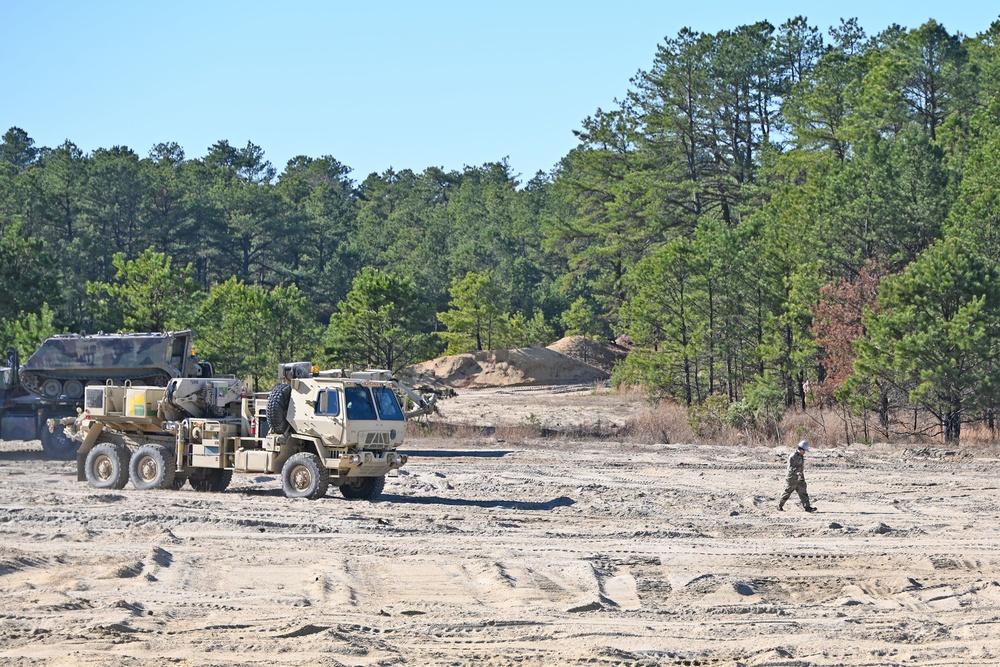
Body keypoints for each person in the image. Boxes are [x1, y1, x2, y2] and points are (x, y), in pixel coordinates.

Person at [778, 440, 817, 512]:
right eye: (804, 450)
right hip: (792, 479)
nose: (805, 452)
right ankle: (780, 506)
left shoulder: (801, 456)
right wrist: (797, 472)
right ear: (800, 449)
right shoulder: (793, 456)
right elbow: (791, 467)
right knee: (787, 493)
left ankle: (807, 507)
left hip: (800, 478)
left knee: (803, 493)